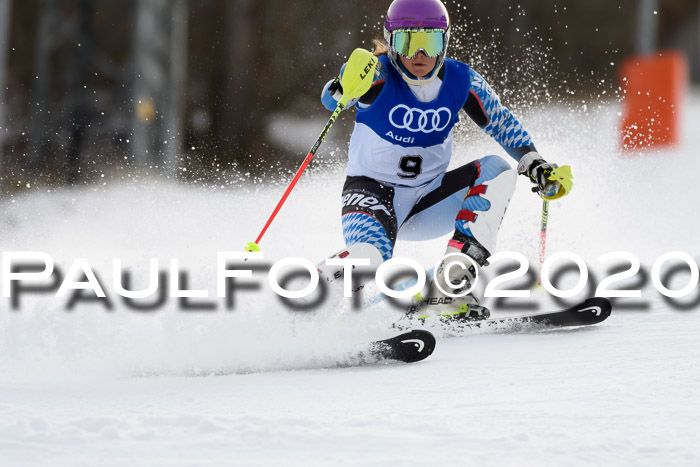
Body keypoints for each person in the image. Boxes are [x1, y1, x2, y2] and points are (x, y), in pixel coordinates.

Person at [318, 0, 573, 320]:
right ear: (392, 43)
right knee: (369, 260)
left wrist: (535, 163)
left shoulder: (460, 80)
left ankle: (449, 287)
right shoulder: (379, 73)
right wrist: (342, 85)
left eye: (430, 42)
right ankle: (306, 304)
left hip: (428, 197)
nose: (420, 56)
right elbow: (336, 98)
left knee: (497, 170)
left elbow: (503, 124)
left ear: (445, 41)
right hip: (371, 195)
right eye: (408, 43)